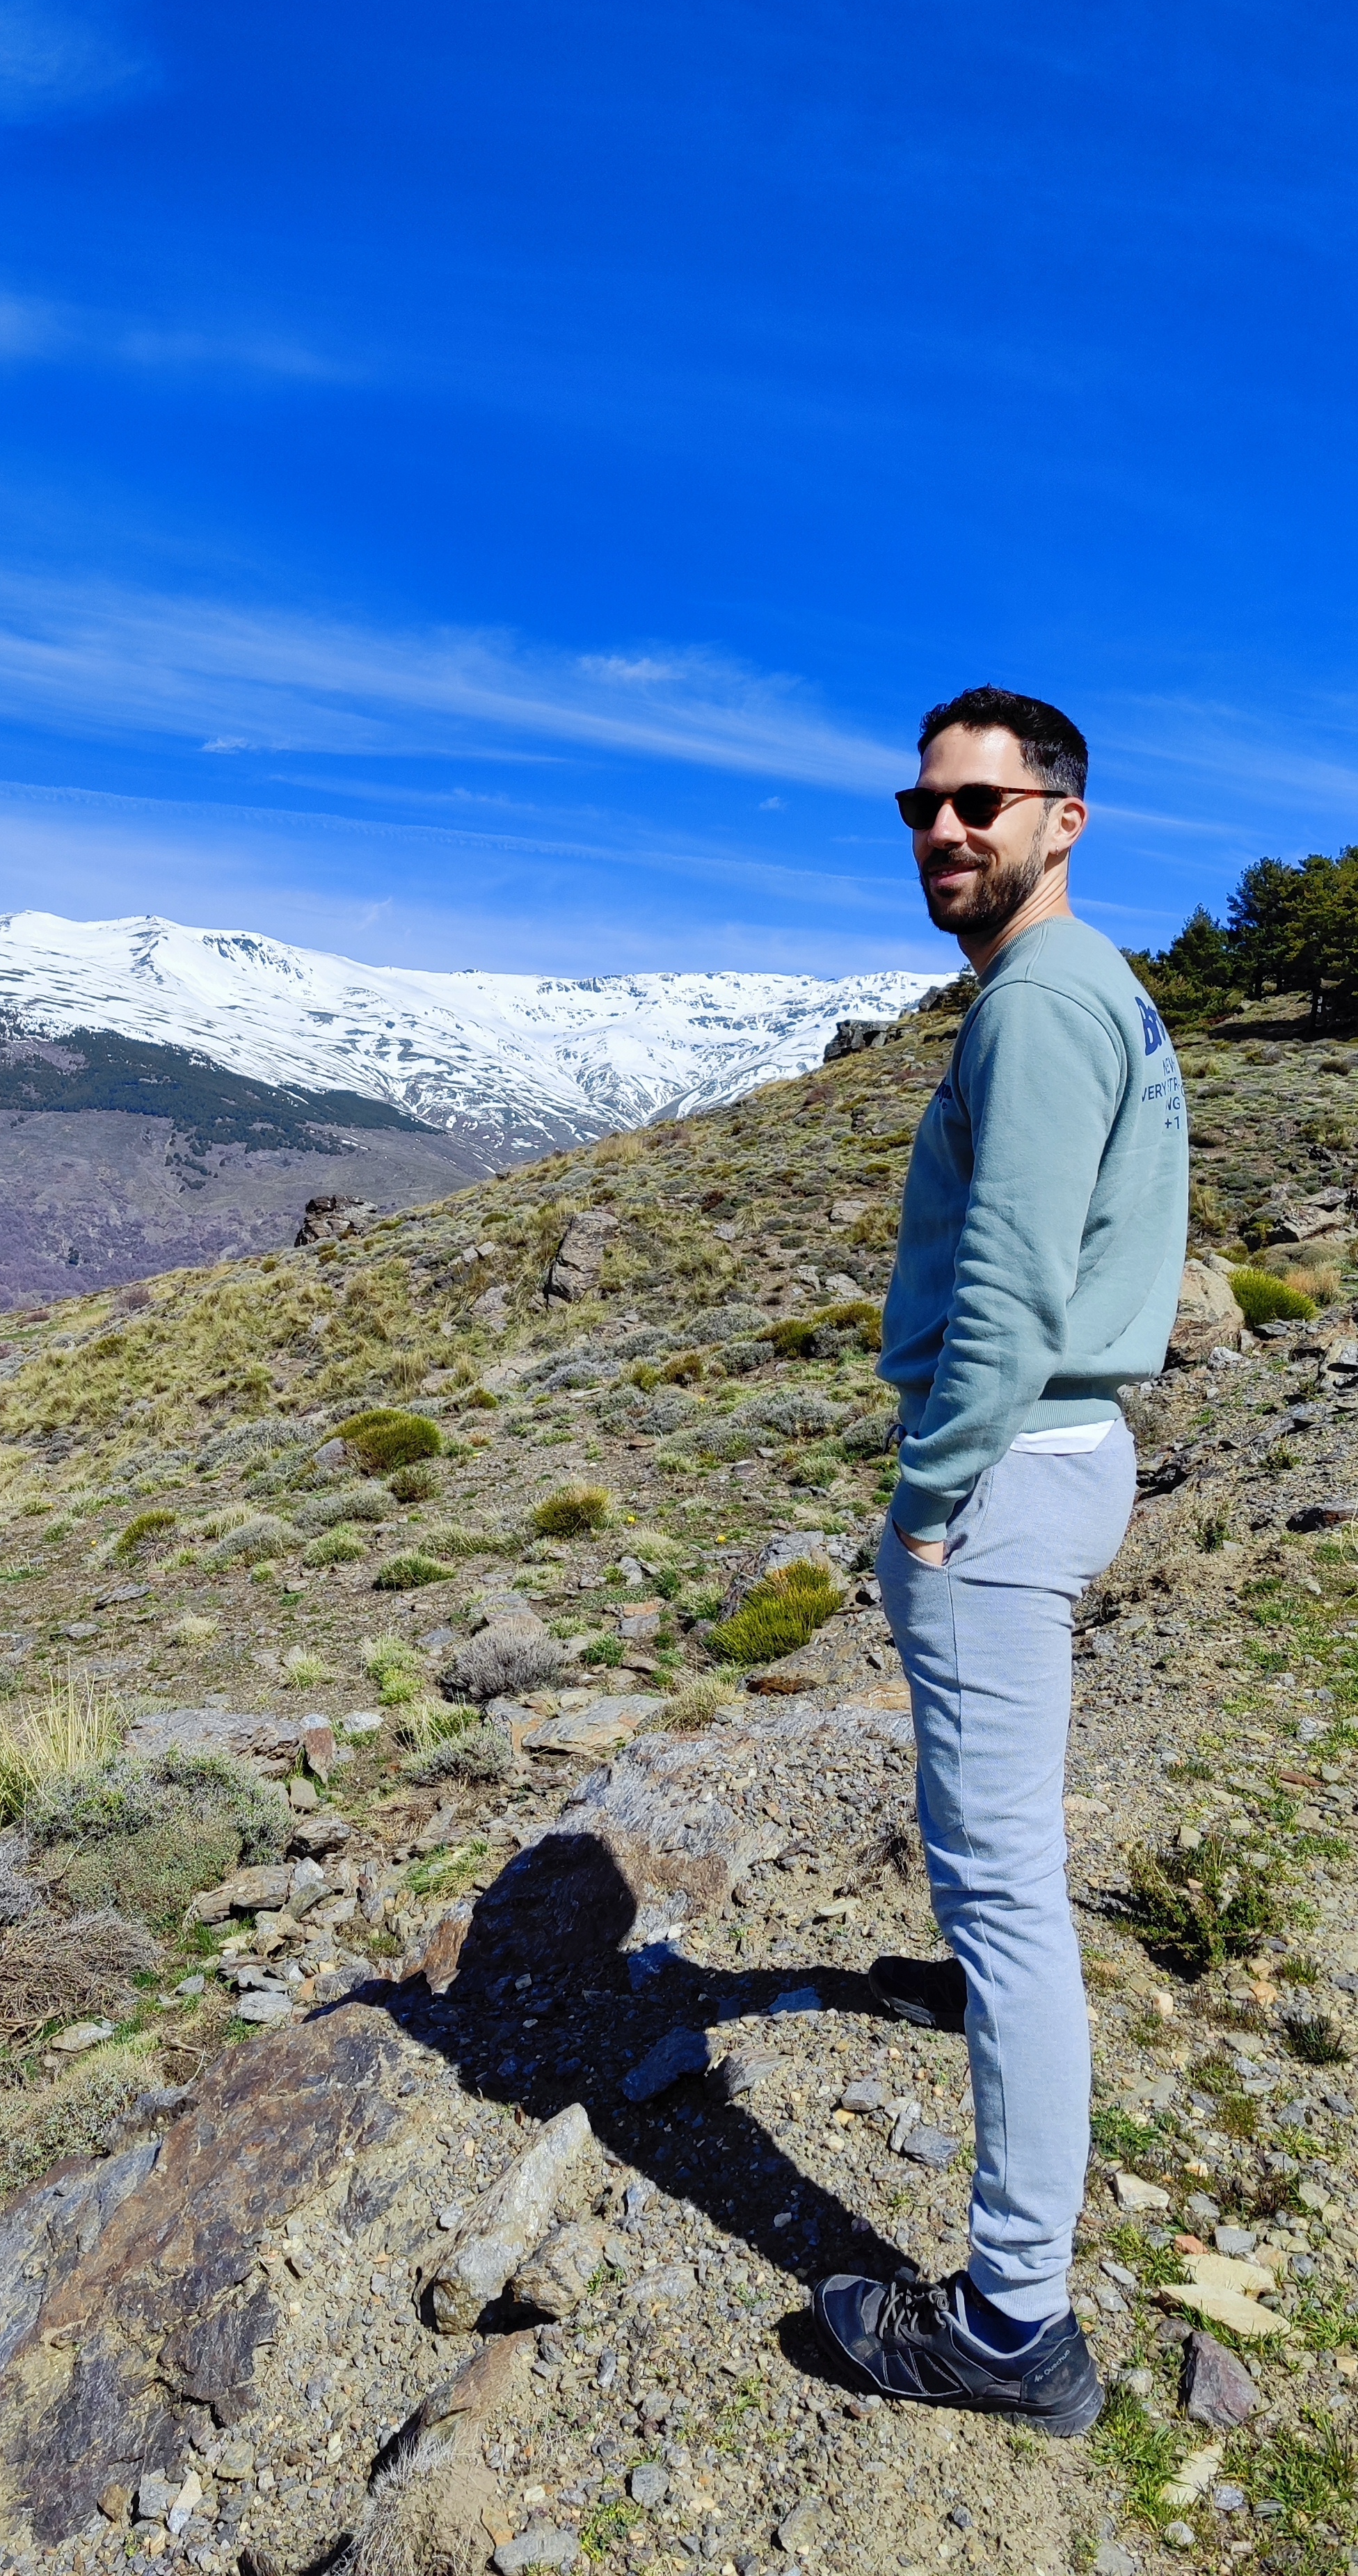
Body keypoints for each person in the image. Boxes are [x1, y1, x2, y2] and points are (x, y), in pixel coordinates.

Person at [810, 685, 1188, 2434]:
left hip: (1005, 1474)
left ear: (1063, 816)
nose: (945, 829)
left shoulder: (1036, 1006)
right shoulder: (1085, 981)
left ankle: (1011, 2321)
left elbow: (1017, 1284)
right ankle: (979, 1989)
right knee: (1007, 1870)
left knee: (1007, 1886)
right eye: (924, 804)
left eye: (982, 801)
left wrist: (932, 1490)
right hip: (1067, 1456)